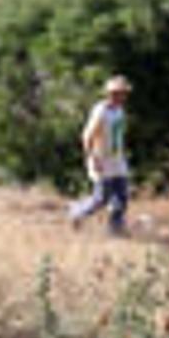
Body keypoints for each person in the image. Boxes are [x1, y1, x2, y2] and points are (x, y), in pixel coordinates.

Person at [69, 75, 132, 235]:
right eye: (117, 93)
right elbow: (87, 136)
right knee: (101, 199)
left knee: (122, 196)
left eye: (123, 92)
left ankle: (115, 229)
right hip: (102, 160)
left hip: (117, 160)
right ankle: (76, 212)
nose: (121, 96)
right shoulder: (101, 111)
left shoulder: (119, 110)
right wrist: (93, 158)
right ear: (110, 94)